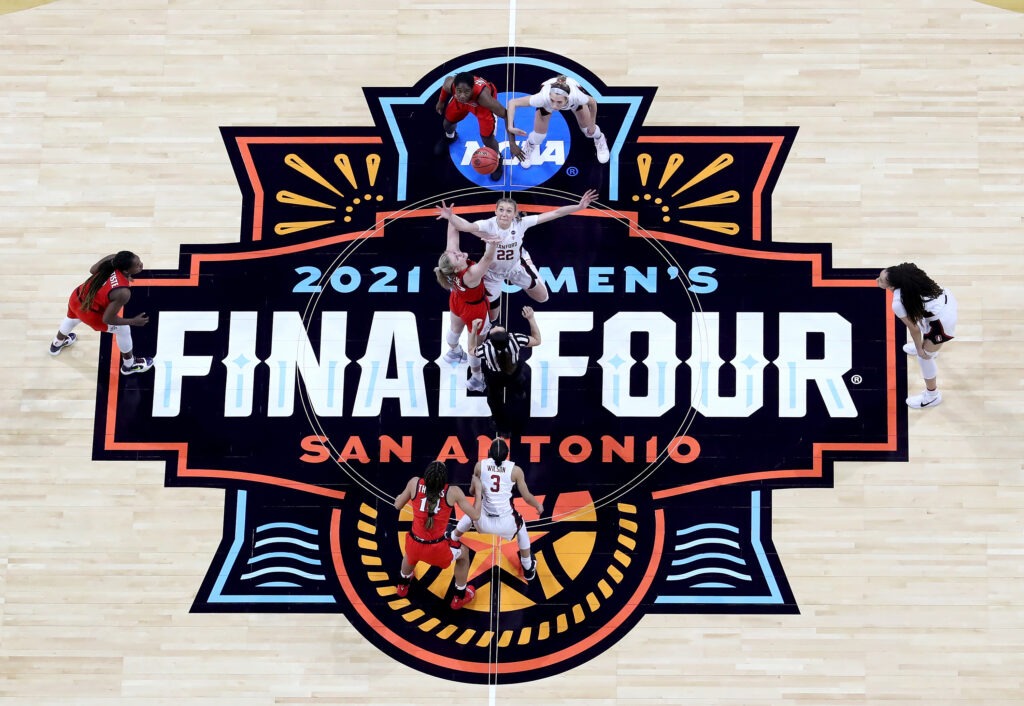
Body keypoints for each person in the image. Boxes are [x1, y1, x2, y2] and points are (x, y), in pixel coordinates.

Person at [436, 189, 598, 324]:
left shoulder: (521, 223)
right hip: (492, 274)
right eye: (501, 210)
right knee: (493, 317)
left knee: (544, 298)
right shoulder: (488, 224)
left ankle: (526, 260)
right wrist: (450, 217)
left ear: (514, 214)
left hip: (514, 268)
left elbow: (555, 213)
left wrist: (579, 206)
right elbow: (466, 226)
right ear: (495, 211)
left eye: (508, 211)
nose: (504, 214)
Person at [449, 438, 544, 582]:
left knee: (472, 512)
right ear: (508, 454)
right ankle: (528, 567)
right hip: (506, 522)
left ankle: (453, 538)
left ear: (489, 453)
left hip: (483, 521)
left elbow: (472, 491)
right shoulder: (516, 471)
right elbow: (527, 497)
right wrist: (538, 505)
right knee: (521, 527)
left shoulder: (480, 466)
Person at [394, 460, 482, 609]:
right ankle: (459, 596)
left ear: (426, 476)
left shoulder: (414, 483)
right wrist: (479, 492)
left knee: (410, 554)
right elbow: (475, 515)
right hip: (437, 550)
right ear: (444, 480)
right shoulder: (452, 492)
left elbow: (397, 505)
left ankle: (402, 585)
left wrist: (399, 497)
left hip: (414, 543)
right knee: (464, 554)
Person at [50, 251, 154, 375]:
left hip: (77, 297)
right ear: (126, 271)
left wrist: (114, 257)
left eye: (139, 261)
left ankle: (56, 344)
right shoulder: (123, 293)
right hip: (90, 313)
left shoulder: (113, 261)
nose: (141, 265)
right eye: (137, 265)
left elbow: (92, 270)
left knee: (72, 319)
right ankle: (129, 365)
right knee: (124, 329)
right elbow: (107, 319)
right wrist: (133, 321)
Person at [877, 263, 958, 409]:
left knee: (924, 357)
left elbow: (914, 329)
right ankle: (929, 348)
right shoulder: (910, 279)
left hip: (943, 321)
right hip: (946, 300)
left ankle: (932, 396)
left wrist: (920, 349)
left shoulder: (897, 303)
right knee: (920, 321)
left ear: (892, 286)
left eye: (881, 280)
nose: (877, 280)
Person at [434, 223, 497, 392]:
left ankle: (454, 351)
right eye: (456, 256)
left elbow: (452, 236)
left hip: (457, 300)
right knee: (474, 347)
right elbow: (487, 259)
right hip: (475, 310)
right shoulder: (470, 275)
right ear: (456, 267)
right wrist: (492, 243)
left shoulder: (449, 265)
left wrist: (450, 218)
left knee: (454, 329)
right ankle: (476, 378)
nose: (457, 252)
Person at [505, 74, 609, 169]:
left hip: (574, 101)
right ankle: (530, 144)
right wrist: (510, 127)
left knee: (588, 131)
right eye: (552, 100)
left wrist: (592, 123)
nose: (554, 106)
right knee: (538, 137)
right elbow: (513, 103)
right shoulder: (542, 98)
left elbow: (592, 102)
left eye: (559, 102)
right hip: (546, 104)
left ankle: (600, 138)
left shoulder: (576, 97)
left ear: (567, 99)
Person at [433, 71, 517, 181]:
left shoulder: (484, 98)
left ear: (472, 89)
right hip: (460, 104)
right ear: (455, 87)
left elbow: (507, 116)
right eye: (459, 91)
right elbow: (445, 84)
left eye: (467, 91)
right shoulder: (451, 84)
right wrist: (441, 101)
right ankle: (450, 137)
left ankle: (496, 158)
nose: (462, 95)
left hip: (481, 107)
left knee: (487, 139)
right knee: (447, 123)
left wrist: (512, 143)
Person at [472, 306, 542, 436]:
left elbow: (471, 350)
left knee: (494, 402)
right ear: (507, 335)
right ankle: (519, 391)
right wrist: (531, 319)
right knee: (518, 381)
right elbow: (537, 340)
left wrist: (473, 330)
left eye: (493, 329)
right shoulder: (515, 339)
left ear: (491, 341)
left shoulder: (486, 348)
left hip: (494, 376)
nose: (495, 325)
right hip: (513, 371)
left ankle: (503, 428)